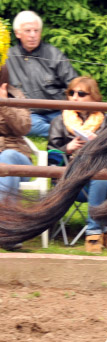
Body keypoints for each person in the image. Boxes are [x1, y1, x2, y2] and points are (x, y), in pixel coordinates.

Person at [48, 76, 107, 253]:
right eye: (71, 93)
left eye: (81, 93)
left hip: (103, 174)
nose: (75, 97)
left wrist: (99, 143)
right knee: (99, 175)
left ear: (94, 97)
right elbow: (50, 156)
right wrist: (67, 148)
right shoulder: (59, 121)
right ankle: (94, 232)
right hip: (72, 180)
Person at [6, 10, 78, 138]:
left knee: (69, 121)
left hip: (57, 110)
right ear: (18, 33)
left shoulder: (53, 53)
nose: (33, 35)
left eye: (36, 30)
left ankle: (61, 129)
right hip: (29, 114)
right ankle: (62, 132)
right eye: (28, 31)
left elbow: (74, 83)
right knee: (28, 127)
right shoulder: (8, 57)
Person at [0, 65, 32, 250]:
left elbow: (24, 127)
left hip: (17, 155)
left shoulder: (15, 96)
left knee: (8, 158)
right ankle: (9, 232)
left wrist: (4, 104)